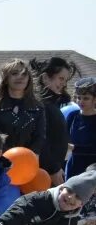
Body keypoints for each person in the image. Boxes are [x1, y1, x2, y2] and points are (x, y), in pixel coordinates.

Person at [0, 59, 47, 156]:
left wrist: (32, 154)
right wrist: (8, 155)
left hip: (26, 161)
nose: (20, 77)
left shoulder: (37, 108)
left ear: (29, 79)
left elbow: (39, 137)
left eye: (24, 74)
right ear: (5, 79)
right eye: (14, 73)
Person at [32, 55, 77, 184]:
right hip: (45, 172)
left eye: (66, 80)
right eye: (61, 78)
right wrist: (54, 169)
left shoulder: (51, 103)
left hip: (52, 169)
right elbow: (41, 140)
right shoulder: (41, 105)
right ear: (45, 78)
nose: (64, 83)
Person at [65, 78, 96, 179]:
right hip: (73, 166)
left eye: (86, 98)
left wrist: (75, 148)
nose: (81, 101)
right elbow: (64, 138)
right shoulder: (72, 116)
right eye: (79, 98)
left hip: (92, 169)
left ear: (94, 100)